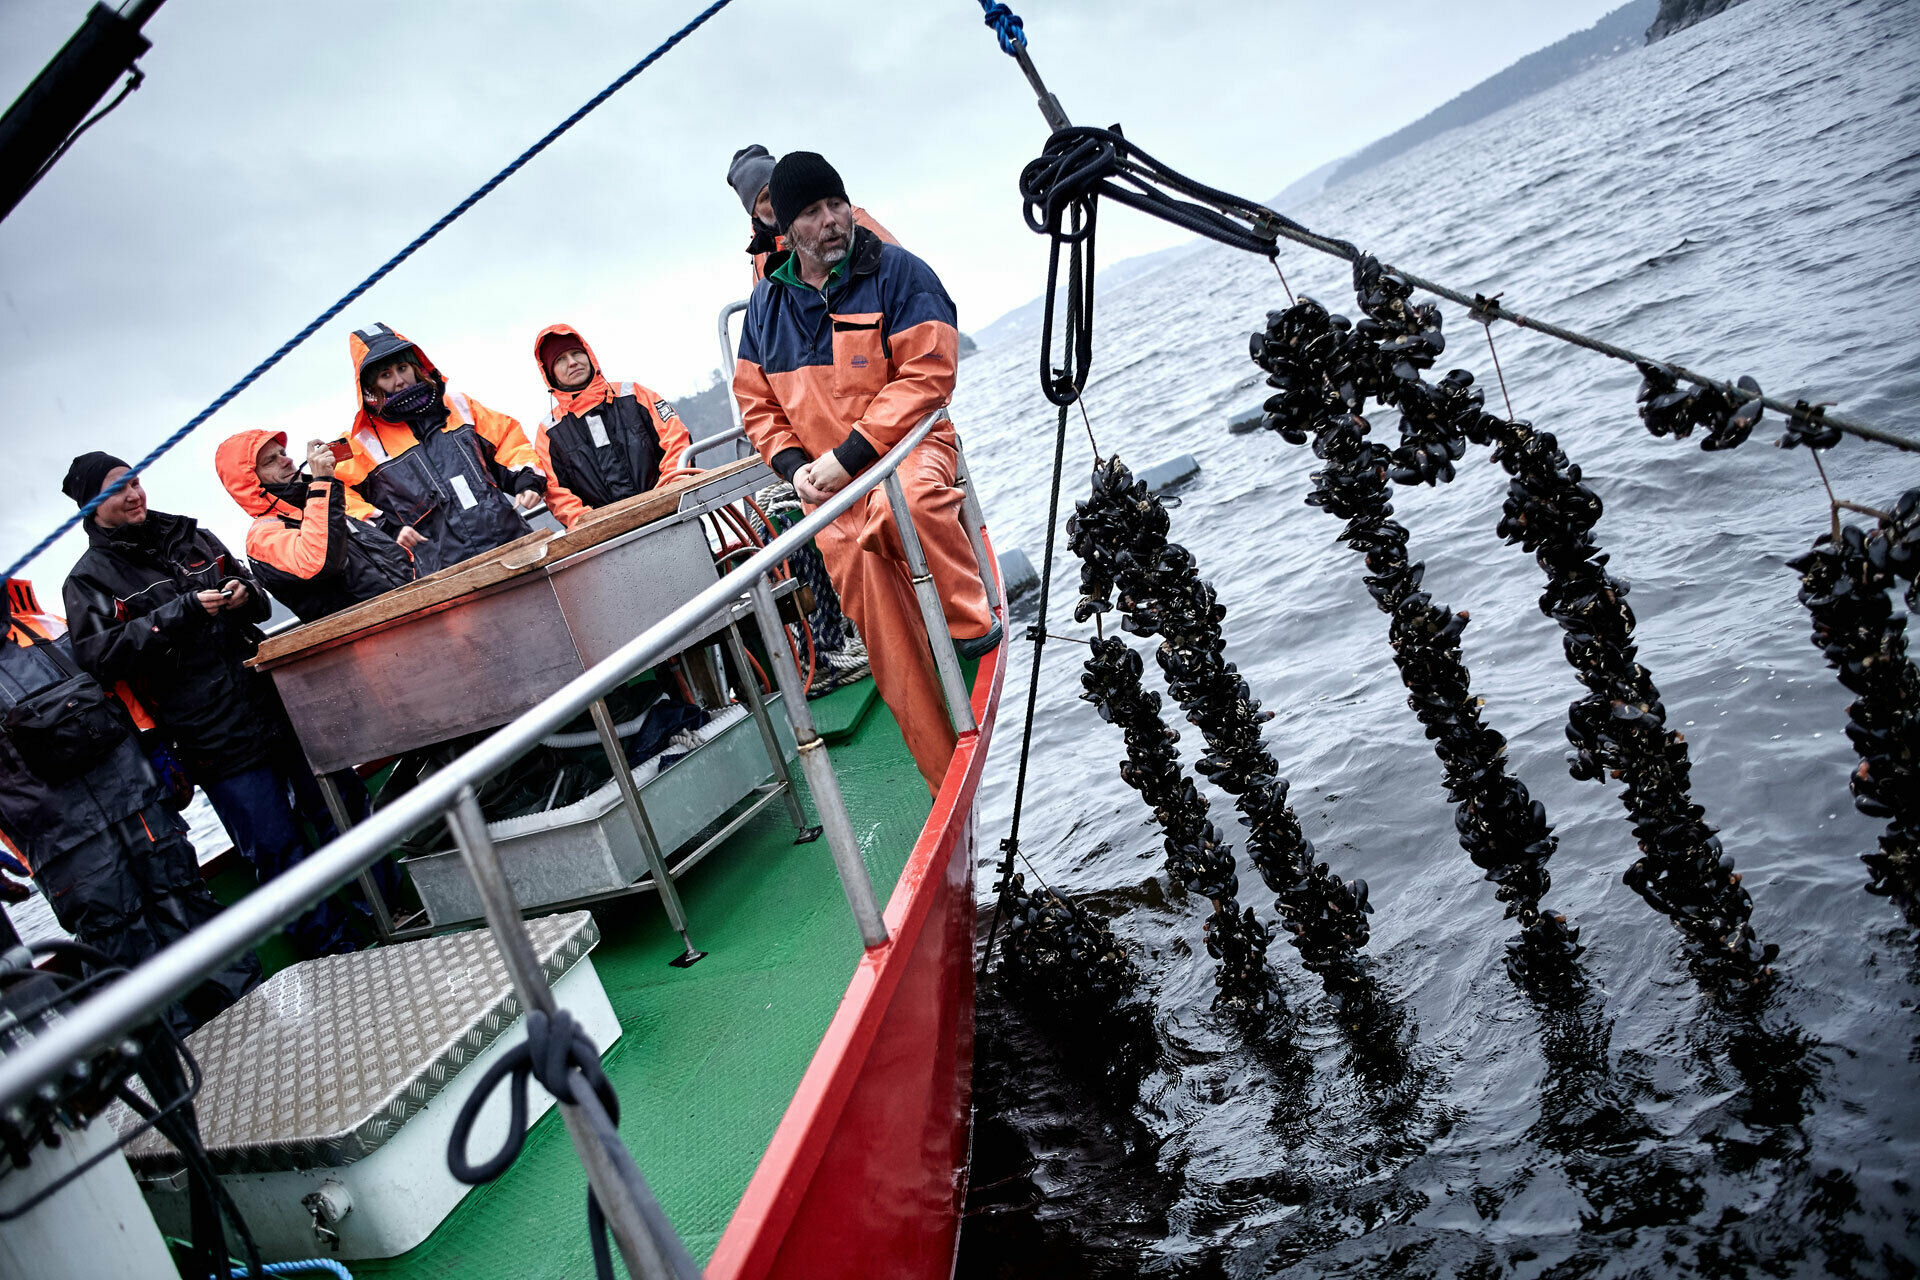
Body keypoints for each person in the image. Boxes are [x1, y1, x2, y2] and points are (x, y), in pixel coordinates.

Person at [733, 152, 998, 791]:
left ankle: (971, 626)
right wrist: (795, 467)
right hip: (832, 500)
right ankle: (948, 789)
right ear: (785, 231)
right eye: (812, 213)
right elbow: (756, 405)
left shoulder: (896, 271)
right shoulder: (765, 308)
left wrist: (849, 457)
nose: (831, 221)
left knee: (909, 503)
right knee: (892, 658)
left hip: (911, 449)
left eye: (836, 205)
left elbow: (931, 371)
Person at [60, 453, 364, 959]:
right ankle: (335, 951)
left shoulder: (191, 535)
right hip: (210, 737)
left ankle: (386, 901)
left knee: (343, 805)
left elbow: (263, 602)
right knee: (275, 847)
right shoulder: (88, 580)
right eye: (118, 490)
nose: (134, 494)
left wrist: (246, 595)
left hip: (274, 704)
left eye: (135, 482)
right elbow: (99, 656)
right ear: (89, 507)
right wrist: (177, 614)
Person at [0, 578, 259, 1034]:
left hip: (138, 803)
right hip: (61, 845)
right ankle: (180, 1064)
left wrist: (159, 755)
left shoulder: (50, 625)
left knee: (191, 908)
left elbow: (119, 690)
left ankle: (260, 1016)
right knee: (118, 950)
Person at [333, 324, 547, 577]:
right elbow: (333, 492)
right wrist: (385, 527)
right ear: (369, 385)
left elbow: (508, 439)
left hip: (513, 544)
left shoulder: (460, 404)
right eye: (386, 375)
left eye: (402, 368)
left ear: (416, 367)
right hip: (444, 573)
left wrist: (526, 480)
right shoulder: (354, 441)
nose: (399, 380)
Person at [216, 429, 415, 623]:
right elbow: (319, 562)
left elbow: (390, 558)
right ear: (250, 480)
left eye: (282, 453)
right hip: (368, 641)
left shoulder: (315, 507)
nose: (287, 461)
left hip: (407, 613)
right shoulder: (263, 537)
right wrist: (323, 483)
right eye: (271, 460)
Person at [529, 325, 698, 529]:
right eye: (560, 359)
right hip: (609, 541)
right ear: (550, 373)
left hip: (673, 516)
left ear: (588, 355)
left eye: (576, 353)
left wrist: (667, 496)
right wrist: (593, 525)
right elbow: (557, 493)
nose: (572, 362)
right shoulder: (549, 433)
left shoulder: (636, 395)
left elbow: (676, 442)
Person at [727, 144, 898, 284]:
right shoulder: (760, 253)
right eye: (766, 197)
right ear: (754, 213)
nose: (777, 201)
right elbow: (763, 315)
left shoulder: (845, 218)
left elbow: (898, 266)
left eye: (778, 190)